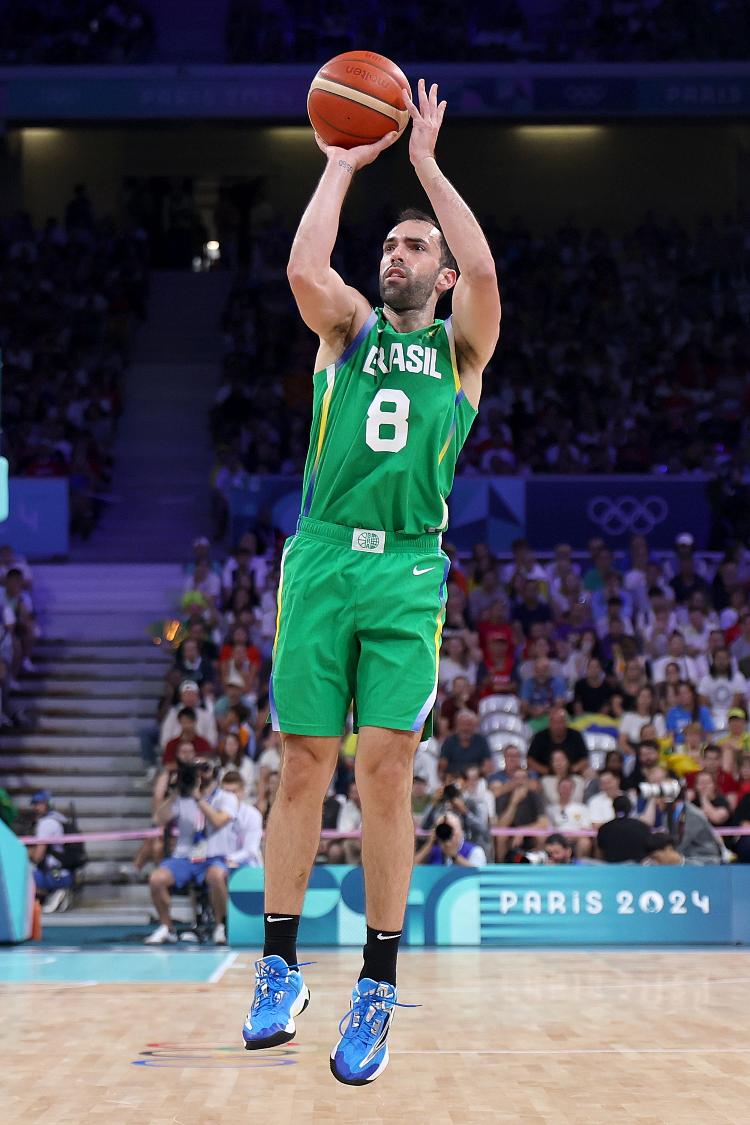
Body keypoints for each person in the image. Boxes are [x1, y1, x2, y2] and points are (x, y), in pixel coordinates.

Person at [240, 78, 500, 1087]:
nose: (398, 254)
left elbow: (483, 264)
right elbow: (307, 263)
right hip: (318, 557)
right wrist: (341, 161)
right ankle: (278, 969)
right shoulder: (344, 332)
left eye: (414, 248)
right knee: (302, 767)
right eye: (392, 244)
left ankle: (378, 985)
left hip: (407, 568)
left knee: (384, 770)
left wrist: (428, 165)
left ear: (438, 279)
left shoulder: (461, 348)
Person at [145, 759, 239, 945]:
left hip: (213, 856)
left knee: (217, 876)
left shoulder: (226, 798)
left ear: (215, 773)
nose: (200, 775)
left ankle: (221, 926)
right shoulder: (182, 798)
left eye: (204, 769)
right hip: (185, 857)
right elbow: (158, 819)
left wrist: (198, 798)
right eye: (195, 771)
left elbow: (218, 821)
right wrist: (175, 793)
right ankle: (167, 927)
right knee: (157, 879)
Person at [27, 791, 74, 914]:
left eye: (40, 804)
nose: (36, 807)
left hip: (56, 875)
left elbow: (38, 856)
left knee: (24, 874)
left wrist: (26, 854)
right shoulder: (58, 818)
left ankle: (58, 892)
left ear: (48, 804)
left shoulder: (46, 823)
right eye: (35, 804)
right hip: (64, 872)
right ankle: (56, 894)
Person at [527, 706, 589, 776]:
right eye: (555, 722)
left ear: (566, 723)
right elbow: (530, 760)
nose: (558, 726)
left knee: (589, 773)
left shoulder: (575, 735)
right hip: (544, 776)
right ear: (550, 723)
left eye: (561, 722)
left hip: (572, 775)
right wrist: (546, 771)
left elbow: (584, 759)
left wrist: (570, 770)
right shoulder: (540, 737)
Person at [414, 809, 487, 867]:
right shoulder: (433, 850)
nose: (446, 832)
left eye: (450, 829)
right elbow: (411, 869)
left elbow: (477, 874)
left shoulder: (475, 851)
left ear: (461, 831)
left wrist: (454, 856)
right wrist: (429, 845)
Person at [596, 795, 655, 863]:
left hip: (612, 870)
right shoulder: (643, 827)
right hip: (638, 870)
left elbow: (600, 851)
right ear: (630, 808)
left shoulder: (604, 829)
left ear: (613, 808)